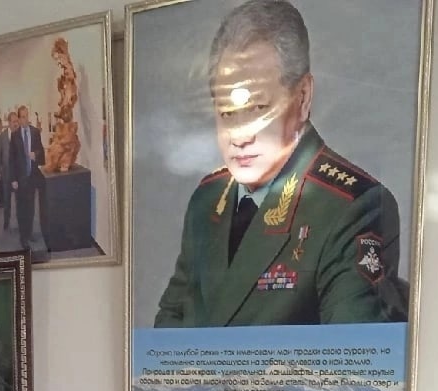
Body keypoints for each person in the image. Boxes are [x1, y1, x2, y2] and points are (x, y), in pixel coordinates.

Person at [155, 0, 406, 327]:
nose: (239, 136)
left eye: (259, 110)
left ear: (302, 98)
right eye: (227, 113)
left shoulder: (353, 207)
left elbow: (351, 353)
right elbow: (168, 334)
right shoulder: (206, 201)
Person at [9, 104, 46, 249]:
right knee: (21, 209)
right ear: (19, 118)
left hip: (32, 177)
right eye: (22, 117)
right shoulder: (15, 136)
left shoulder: (35, 132)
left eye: (26, 116)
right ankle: (23, 237)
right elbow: (11, 159)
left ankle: (29, 232)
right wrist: (13, 179)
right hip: (20, 179)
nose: (25, 119)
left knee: (31, 208)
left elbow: (42, 153)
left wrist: (35, 154)